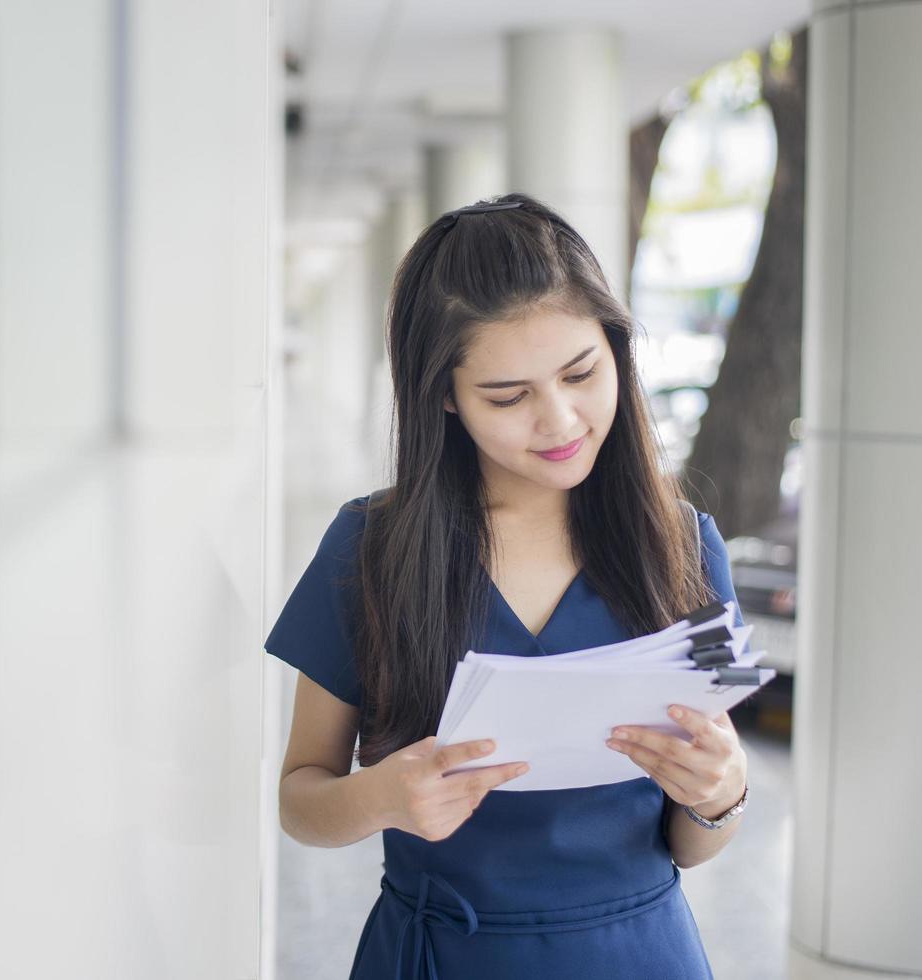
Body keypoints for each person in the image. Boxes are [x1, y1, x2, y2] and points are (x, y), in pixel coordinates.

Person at [268, 193, 749, 979]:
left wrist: (721, 791)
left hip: (638, 954)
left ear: (616, 351)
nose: (559, 420)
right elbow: (300, 798)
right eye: (509, 396)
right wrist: (384, 799)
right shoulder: (370, 549)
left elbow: (697, 842)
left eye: (581, 373)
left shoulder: (689, 548)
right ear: (444, 396)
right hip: (440, 954)